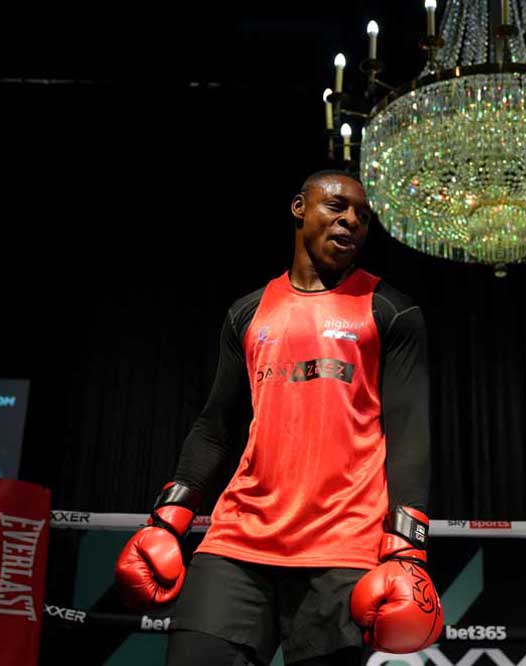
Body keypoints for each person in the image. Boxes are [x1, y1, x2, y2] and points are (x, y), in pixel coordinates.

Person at [114, 170, 443, 666]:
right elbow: (215, 427)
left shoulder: (390, 311)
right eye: (337, 206)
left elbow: (409, 432)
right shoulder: (248, 313)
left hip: (341, 550)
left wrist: (407, 550)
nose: (351, 221)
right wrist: (166, 520)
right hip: (236, 541)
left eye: (362, 215)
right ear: (299, 208)